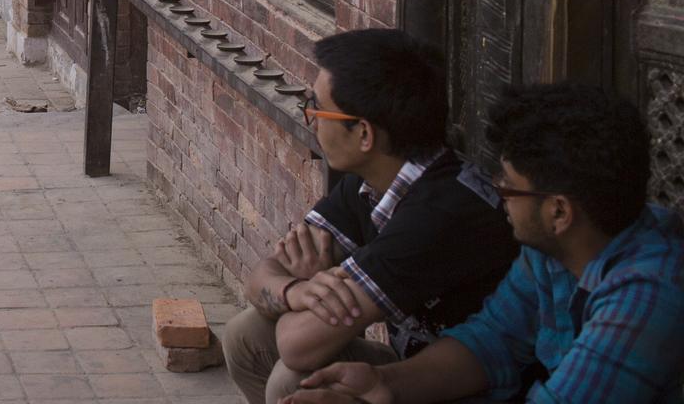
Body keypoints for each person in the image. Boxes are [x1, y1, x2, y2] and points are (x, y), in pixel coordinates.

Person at [289, 81, 684, 404]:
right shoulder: (550, 251)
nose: (498, 192)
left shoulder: (648, 293)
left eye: (509, 187)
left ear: (559, 212)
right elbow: (490, 341)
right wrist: (384, 384)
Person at [222, 30, 517, 404]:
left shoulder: (441, 215)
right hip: (412, 366)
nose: (311, 119)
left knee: (295, 379)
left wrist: (315, 281)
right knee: (246, 334)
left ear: (363, 133)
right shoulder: (371, 181)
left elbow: (298, 345)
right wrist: (294, 290)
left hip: (464, 386)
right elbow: (261, 276)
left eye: (318, 109)